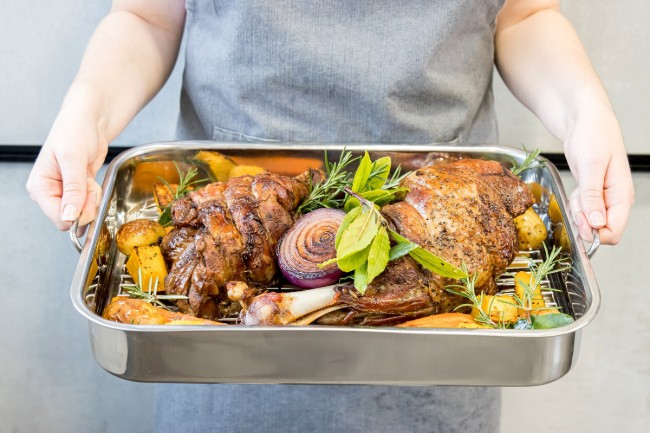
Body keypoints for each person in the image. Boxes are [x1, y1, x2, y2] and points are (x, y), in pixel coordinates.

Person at [26, 1, 634, 432]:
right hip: (218, 350)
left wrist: (586, 114)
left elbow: (524, 15)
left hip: (440, 327)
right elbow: (146, 16)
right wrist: (86, 112)